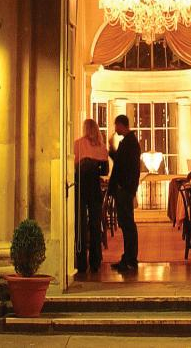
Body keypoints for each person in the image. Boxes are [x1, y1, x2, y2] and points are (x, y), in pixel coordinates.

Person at [73, 118, 109, 276]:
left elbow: (72, 167)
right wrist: (95, 164)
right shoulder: (101, 147)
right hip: (94, 188)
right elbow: (105, 171)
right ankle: (95, 260)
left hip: (81, 187)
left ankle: (81, 262)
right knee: (95, 225)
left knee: (80, 225)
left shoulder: (78, 144)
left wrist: (85, 163)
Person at [107, 113, 141, 274]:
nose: (115, 129)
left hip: (124, 190)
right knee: (127, 224)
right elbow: (121, 162)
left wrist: (123, 187)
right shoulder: (129, 142)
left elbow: (123, 166)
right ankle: (128, 258)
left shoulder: (129, 143)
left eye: (116, 126)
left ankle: (130, 259)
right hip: (125, 189)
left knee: (128, 225)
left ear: (122, 125)